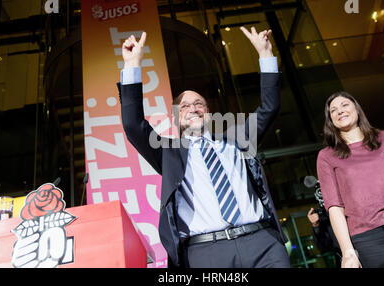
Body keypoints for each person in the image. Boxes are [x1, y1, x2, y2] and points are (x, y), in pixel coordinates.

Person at [118, 27, 290, 268]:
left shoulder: (237, 138)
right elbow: (133, 125)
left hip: (262, 245)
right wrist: (132, 66)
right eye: (185, 106)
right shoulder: (167, 152)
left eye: (199, 103)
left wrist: (265, 55)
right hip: (205, 254)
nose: (193, 108)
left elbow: (269, 107)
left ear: (208, 113)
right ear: (176, 117)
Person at [316, 91, 384, 268]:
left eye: (345, 105)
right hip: (367, 238)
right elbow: (335, 208)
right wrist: (347, 252)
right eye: (333, 110)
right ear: (331, 120)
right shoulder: (326, 156)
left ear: (357, 109)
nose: (340, 111)